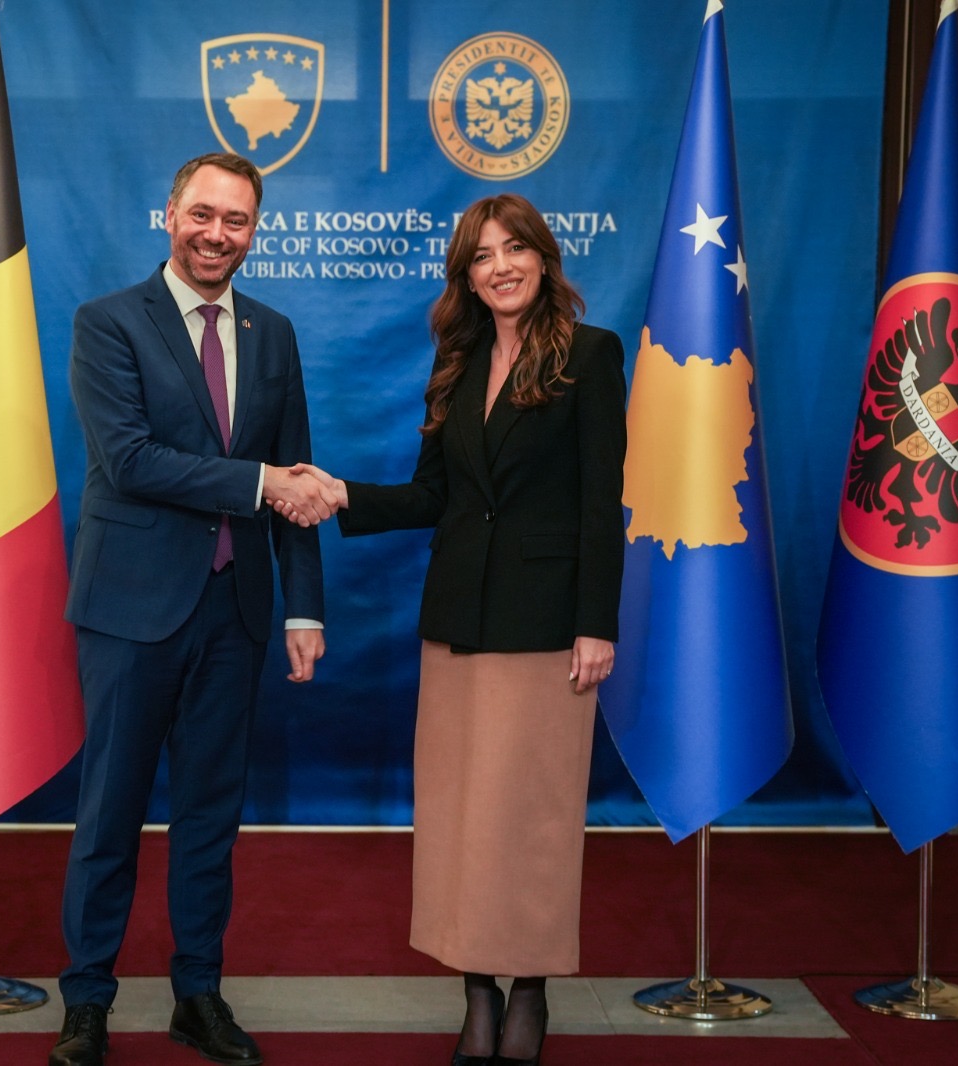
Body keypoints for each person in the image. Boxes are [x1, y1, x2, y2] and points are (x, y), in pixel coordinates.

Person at [282, 193, 627, 1065]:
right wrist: (342, 494)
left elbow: (601, 501)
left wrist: (597, 623)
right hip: (456, 622)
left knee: (533, 817)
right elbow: (435, 493)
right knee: (460, 815)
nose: (500, 267)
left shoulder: (592, 354)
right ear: (466, 277)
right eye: (482, 256)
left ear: (543, 258)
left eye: (515, 249)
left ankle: (531, 990)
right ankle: (477, 992)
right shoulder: (458, 359)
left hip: (548, 627)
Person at [50, 152, 338, 1066]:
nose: (218, 235)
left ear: (255, 230)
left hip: (233, 613)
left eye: (237, 221)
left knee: (211, 817)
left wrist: (303, 609)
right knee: (109, 815)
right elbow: (131, 460)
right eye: (202, 214)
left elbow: (297, 473)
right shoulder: (108, 323)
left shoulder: (273, 333)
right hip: (130, 611)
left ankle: (198, 995)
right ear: (168, 215)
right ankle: (86, 1001)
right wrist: (259, 482)